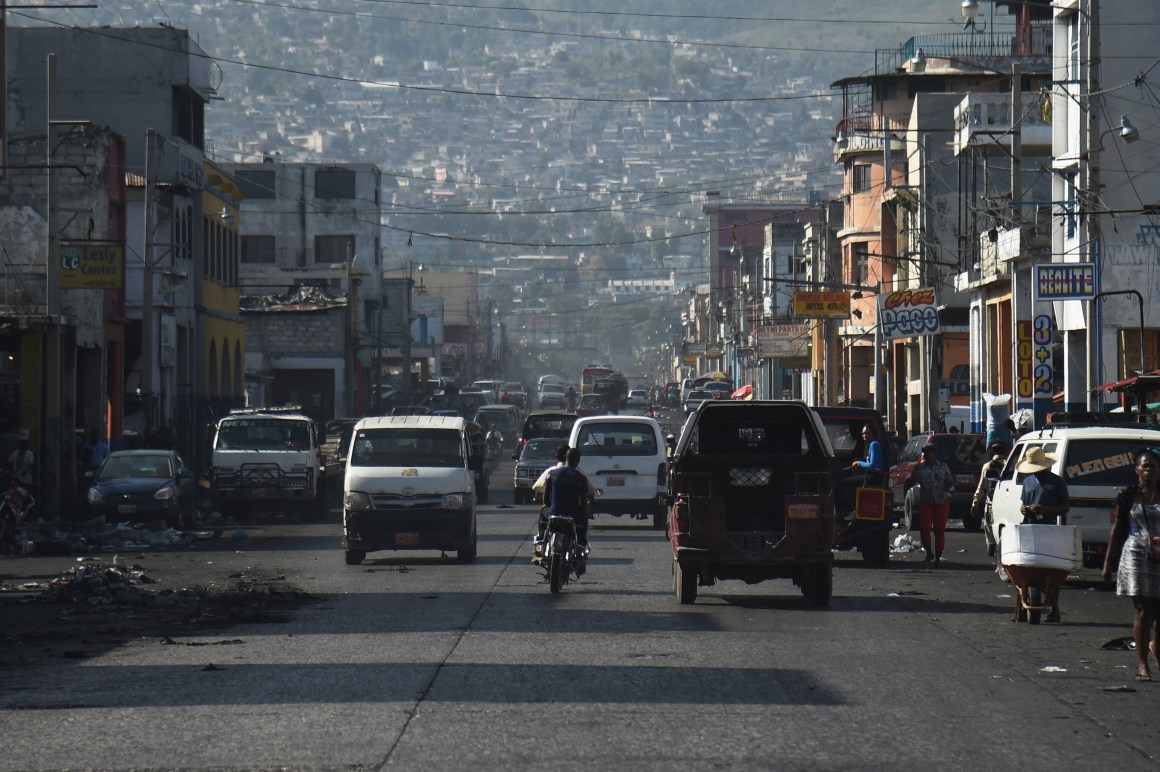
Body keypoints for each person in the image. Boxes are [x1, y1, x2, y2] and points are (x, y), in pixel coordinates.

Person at [1102, 448, 1160, 681]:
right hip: (1135, 556)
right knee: (1143, 610)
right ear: (1136, 469)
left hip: (1159, 556)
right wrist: (1108, 564)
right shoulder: (1128, 498)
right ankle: (1142, 663)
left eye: (1153, 467)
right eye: (1144, 466)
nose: (1149, 471)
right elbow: (1116, 531)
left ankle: (1156, 649)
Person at [534, 448, 591, 566]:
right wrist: (583, 511)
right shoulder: (581, 478)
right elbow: (584, 502)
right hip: (573, 515)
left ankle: (539, 541)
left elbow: (545, 498)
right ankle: (580, 546)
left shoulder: (552, 474)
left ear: (566, 458)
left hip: (553, 513)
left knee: (542, 511)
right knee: (584, 518)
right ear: (578, 461)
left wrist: (551, 507)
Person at [904, 444, 955, 565]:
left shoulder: (943, 467)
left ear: (934, 453)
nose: (927, 455)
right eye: (925, 452)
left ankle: (938, 556)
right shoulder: (920, 468)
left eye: (929, 452)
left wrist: (948, 495)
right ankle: (929, 552)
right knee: (924, 529)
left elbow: (951, 483)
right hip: (926, 502)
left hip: (941, 503)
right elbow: (911, 481)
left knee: (939, 530)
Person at [972, 441, 1011, 554]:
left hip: (991, 502)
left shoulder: (987, 466)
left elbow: (981, 487)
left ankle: (991, 545)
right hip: (1005, 502)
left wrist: (975, 503)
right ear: (1005, 451)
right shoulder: (1010, 464)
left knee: (988, 524)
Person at [1017, 447, 1069, 525]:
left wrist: (1046, 509)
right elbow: (1024, 504)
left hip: (1051, 528)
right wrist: (1023, 509)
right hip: (1029, 526)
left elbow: (1066, 508)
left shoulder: (1058, 481)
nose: (1035, 471)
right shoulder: (1027, 481)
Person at [849, 423, 885, 487]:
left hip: (875, 476)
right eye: (863, 434)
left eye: (867, 433)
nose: (865, 436)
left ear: (872, 433)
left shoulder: (874, 444)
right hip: (872, 475)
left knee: (846, 483)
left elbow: (872, 465)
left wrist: (858, 463)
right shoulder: (871, 444)